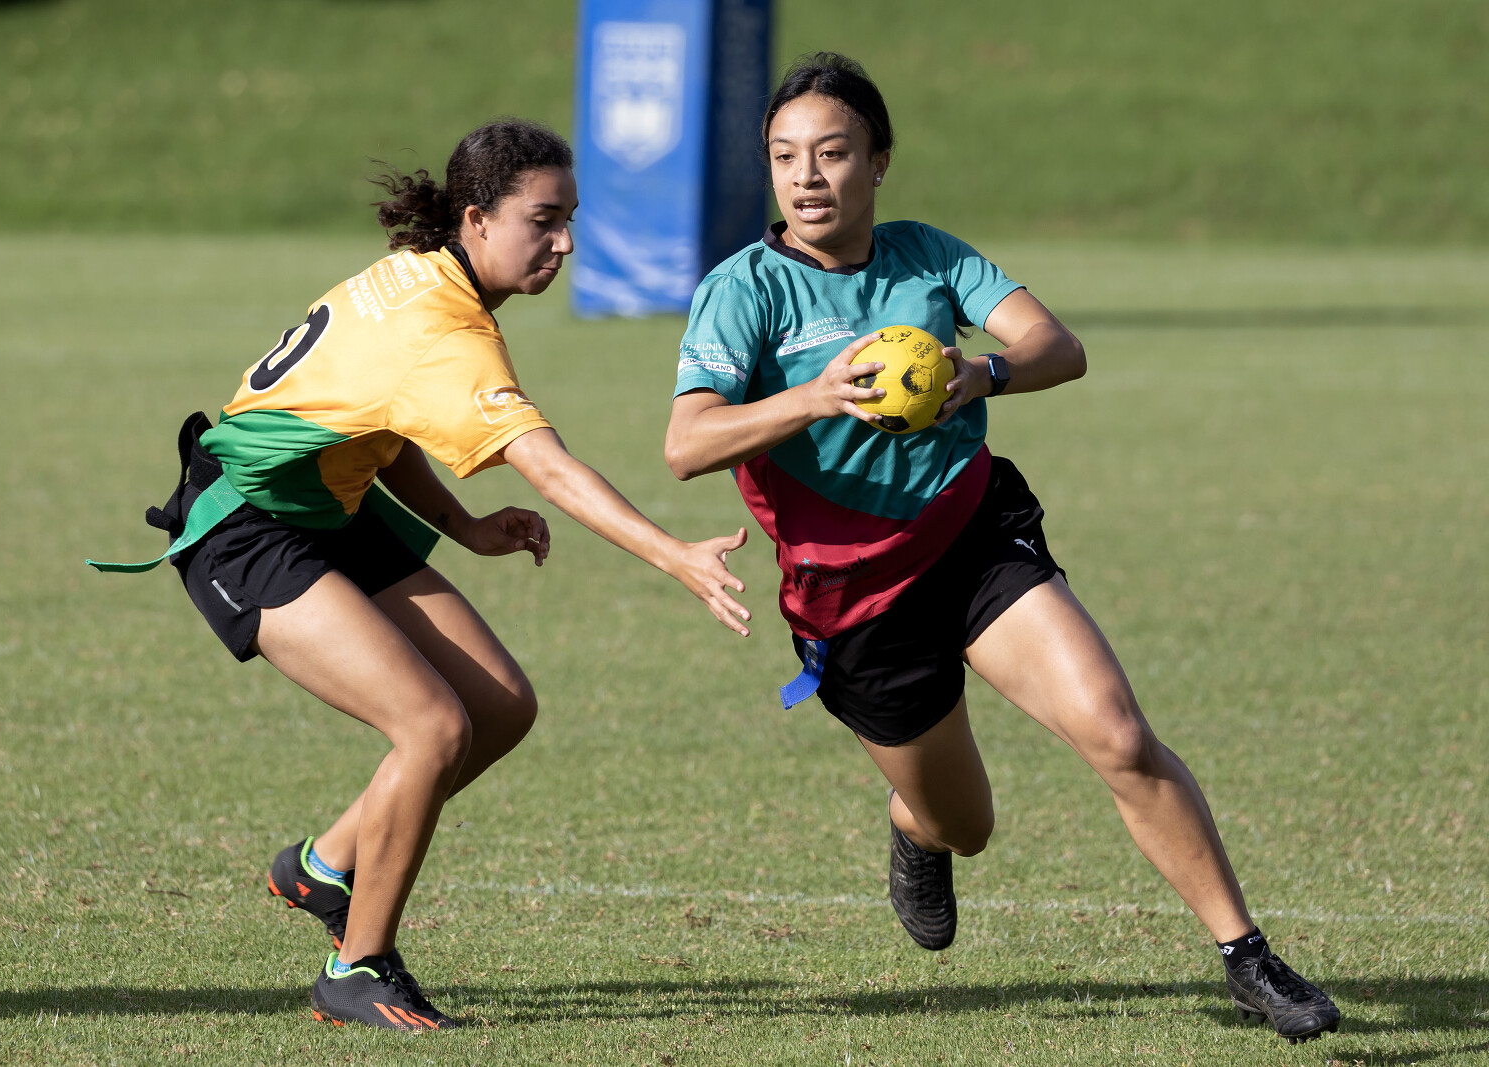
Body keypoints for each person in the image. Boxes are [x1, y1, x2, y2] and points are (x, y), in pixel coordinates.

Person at [663, 53, 1340, 1045]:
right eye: (784, 155)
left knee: (1116, 731)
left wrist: (983, 372)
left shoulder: (927, 256)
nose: (806, 176)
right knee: (962, 825)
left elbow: (1058, 346)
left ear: (878, 161)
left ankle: (1247, 956)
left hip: (972, 536)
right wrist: (813, 395)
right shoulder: (743, 290)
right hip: (855, 601)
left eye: (832, 153)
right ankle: (913, 827)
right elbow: (686, 444)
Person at [91, 119, 751, 1032]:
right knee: (433, 725)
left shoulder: (422, 272)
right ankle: (355, 967)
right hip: (244, 523)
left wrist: (464, 527)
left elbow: (388, 422)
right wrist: (674, 553)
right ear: (476, 218)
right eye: (544, 220)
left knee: (501, 705)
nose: (565, 243)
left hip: (329, 504)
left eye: (571, 219)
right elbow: (551, 469)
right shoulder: (445, 329)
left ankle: (322, 866)